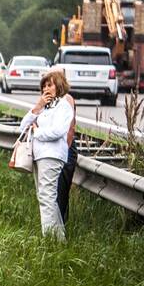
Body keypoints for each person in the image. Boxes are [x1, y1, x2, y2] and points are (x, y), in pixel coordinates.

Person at [19, 69, 72, 240]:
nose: (46, 89)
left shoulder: (63, 106)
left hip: (52, 155)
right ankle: (59, 239)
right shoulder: (44, 107)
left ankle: (49, 240)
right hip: (39, 155)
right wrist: (37, 107)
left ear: (59, 86)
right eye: (44, 86)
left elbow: (58, 131)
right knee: (46, 197)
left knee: (47, 198)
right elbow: (22, 127)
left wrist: (38, 132)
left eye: (50, 85)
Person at [57, 92, 78, 225]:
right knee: (52, 194)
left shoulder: (66, 98)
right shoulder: (46, 98)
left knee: (61, 192)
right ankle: (54, 229)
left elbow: (70, 129)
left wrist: (62, 151)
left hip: (65, 148)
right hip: (53, 150)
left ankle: (60, 228)